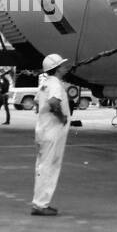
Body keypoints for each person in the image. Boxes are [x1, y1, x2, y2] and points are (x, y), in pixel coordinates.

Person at [31, 54, 72, 216]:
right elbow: (54, 102)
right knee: (49, 167)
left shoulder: (45, 84)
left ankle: (39, 203)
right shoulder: (55, 84)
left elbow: (36, 101)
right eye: (63, 65)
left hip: (43, 129)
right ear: (58, 69)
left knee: (42, 167)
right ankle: (40, 205)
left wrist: (43, 113)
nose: (65, 67)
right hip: (52, 131)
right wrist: (61, 117)